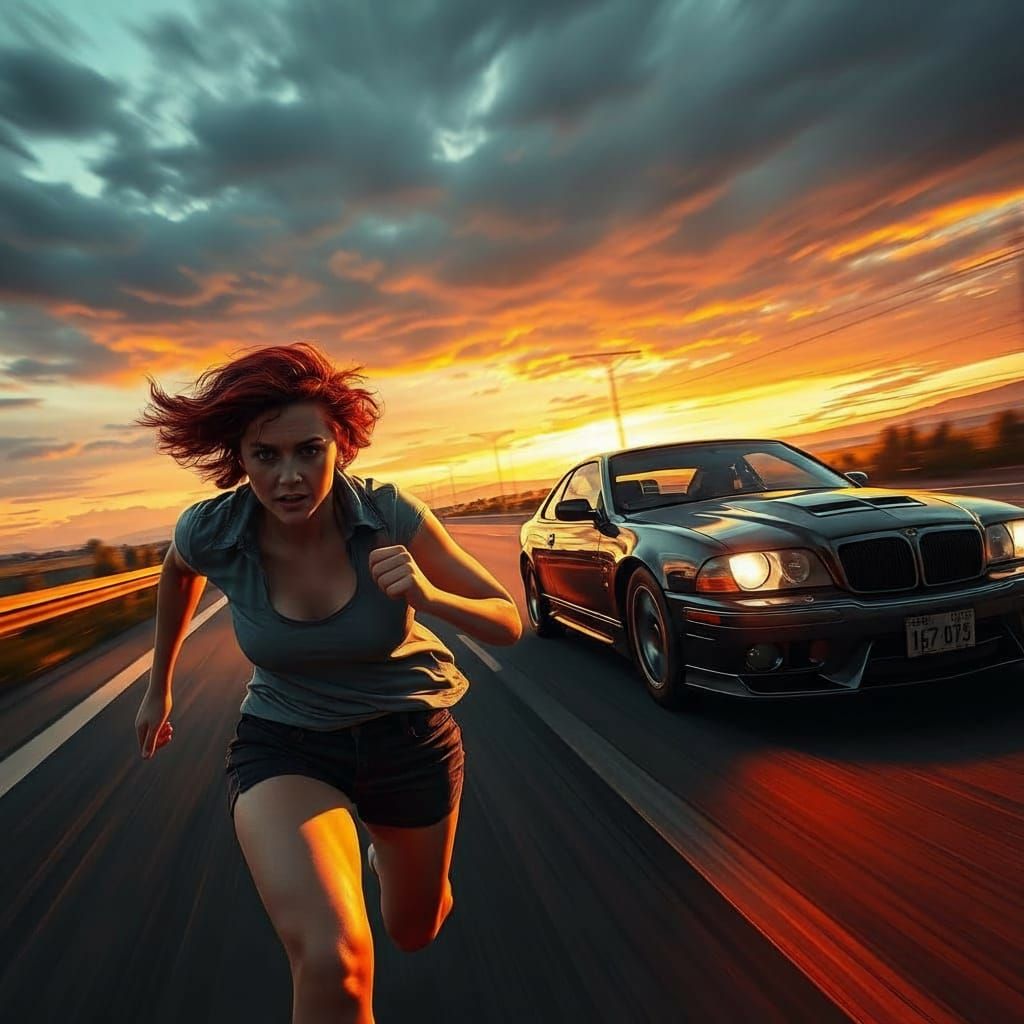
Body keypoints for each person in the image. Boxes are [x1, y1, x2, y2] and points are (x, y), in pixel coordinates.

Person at [133, 342, 521, 1024]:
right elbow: (177, 573)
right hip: (286, 744)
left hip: (411, 739)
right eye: (266, 455)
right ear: (240, 458)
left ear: (340, 445)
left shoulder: (391, 514)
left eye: (309, 451)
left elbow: (506, 620)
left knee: (414, 929)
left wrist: (430, 597)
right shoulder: (212, 529)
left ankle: (388, 863)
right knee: (333, 956)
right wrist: (157, 684)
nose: (289, 476)